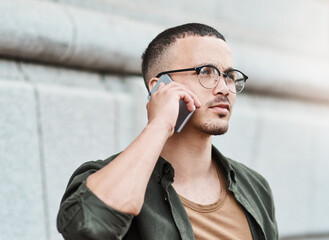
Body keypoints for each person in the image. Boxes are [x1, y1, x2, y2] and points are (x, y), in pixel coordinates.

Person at [57, 23, 278, 240]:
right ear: (160, 87)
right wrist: (159, 124)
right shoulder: (105, 177)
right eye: (206, 72)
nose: (224, 88)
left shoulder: (255, 186)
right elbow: (85, 228)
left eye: (229, 75)